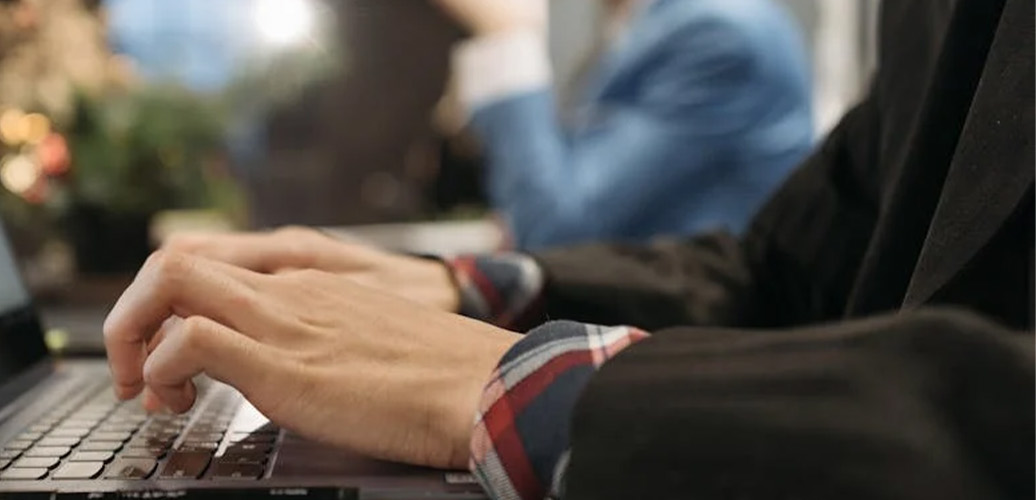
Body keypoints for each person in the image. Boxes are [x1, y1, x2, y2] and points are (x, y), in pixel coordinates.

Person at [101, 0, 1033, 498]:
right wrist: (462, 290)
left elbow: (564, 217)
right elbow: (786, 269)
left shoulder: (720, 25)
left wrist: (508, 381)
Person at [438, 0, 815, 250]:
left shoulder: (719, 32)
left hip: (687, 343)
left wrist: (508, 36)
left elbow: (557, 236)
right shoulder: (654, 21)